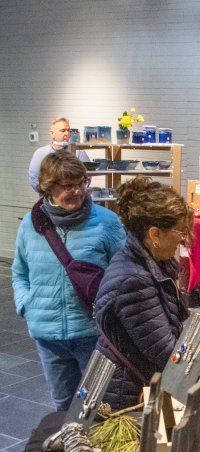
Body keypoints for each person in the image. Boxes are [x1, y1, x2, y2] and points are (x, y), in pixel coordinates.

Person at [12, 151, 125, 410]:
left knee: (99, 406)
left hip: (92, 333)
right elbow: (20, 273)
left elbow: (124, 275)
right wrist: (27, 306)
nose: (76, 191)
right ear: (48, 187)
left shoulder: (106, 222)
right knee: (63, 406)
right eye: (67, 185)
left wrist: (111, 314)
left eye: (80, 183)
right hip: (48, 335)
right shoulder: (31, 224)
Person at [94, 177, 193, 409]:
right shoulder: (135, 280)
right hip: (127, 395)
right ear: (155, 234)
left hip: (131, 385)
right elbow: (165, 353)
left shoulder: (149, 263)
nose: (184, 238)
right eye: (180, 231)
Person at [29, 117, 90, 193]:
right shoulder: (40, 153)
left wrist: (77, 192)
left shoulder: (78, 151)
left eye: (68, 130)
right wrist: (49, 194)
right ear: (52, 134)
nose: (67, 133)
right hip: (48, 197)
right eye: (63, 131)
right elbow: (34, 178)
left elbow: (87, 175)